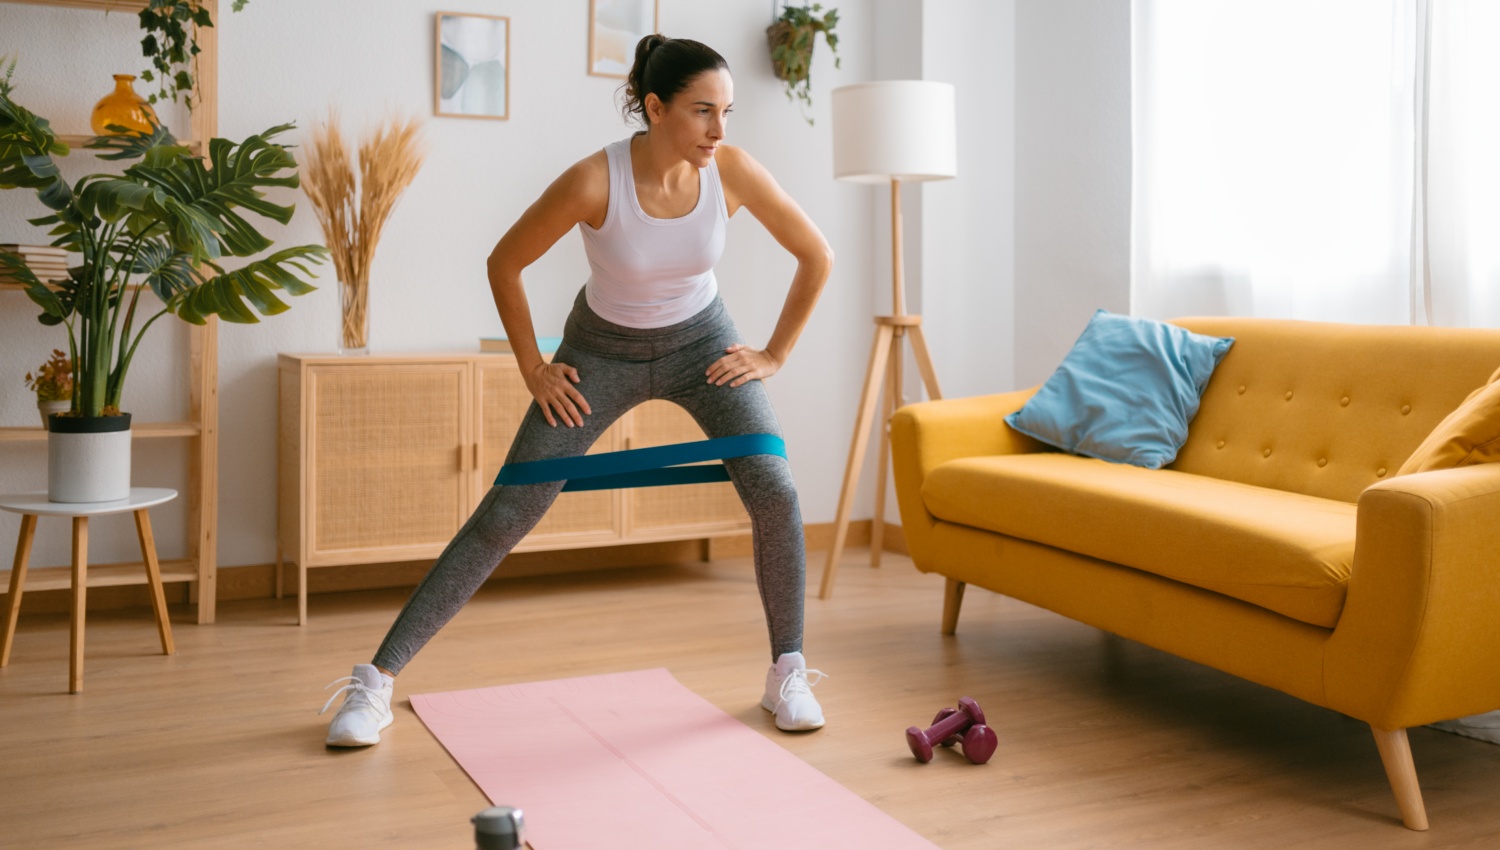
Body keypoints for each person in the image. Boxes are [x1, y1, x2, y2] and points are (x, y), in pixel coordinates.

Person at [320, 35, 834, 747]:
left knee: (774, 490)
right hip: (601, 354)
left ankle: (789, 671)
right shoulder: (596, 180)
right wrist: (534, 367)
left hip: (703, 348)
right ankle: (373, 685)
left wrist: (774, 354)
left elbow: (817, 255)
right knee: (506, 514)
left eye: (728, 112)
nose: (720, 130)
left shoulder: (732, 171)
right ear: (655, 109)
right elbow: (505, 262)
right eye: (702, 111)